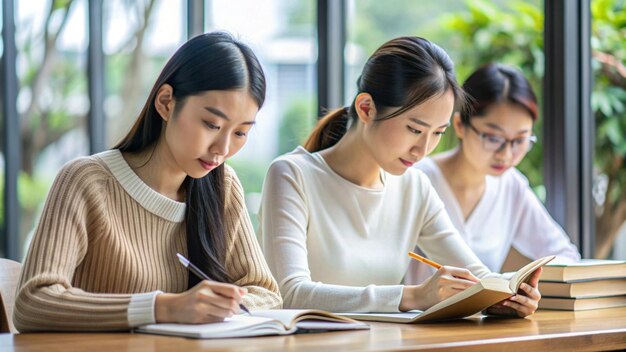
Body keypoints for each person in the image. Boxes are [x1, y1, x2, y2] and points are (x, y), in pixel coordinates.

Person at [13, 32, 281, 332]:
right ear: (166, 102)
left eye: (241, 133)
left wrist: (226, 307)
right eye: (212, 124)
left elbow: (266, 294)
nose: (223, 148)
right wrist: (162, 308)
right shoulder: (87, 182)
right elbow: (33, 302)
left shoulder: (222, 186)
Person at [259, 37, 540, 317]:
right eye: (415, 129)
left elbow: (477, 276)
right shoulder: (292, 175)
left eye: (438, 133)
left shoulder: (414, 187)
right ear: (366, 108)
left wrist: (504, 296)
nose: (423, 149)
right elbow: (290, 294)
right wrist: (415, 295)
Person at [404, 63, 580, 285]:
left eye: (520, 140)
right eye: (493, 138)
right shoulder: (417, 179)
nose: (506, 154)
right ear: (459, 125)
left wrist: (523, 286)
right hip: (414, 318)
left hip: (485, 318)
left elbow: (565, 256)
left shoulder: (511, 185)